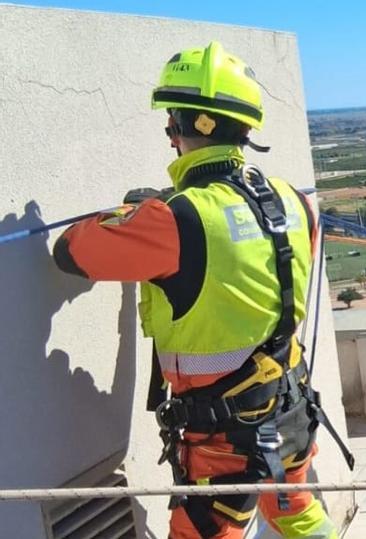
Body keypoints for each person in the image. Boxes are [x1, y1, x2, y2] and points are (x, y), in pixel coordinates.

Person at [53, 41, 350, 539]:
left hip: (224, 438)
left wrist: (138, 216)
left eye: (172, 121)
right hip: (290, 407)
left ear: (186, 127)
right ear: (245, 127)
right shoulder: (295, 202)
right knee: (296, 509)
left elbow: (71, 251)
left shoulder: (173, 220)